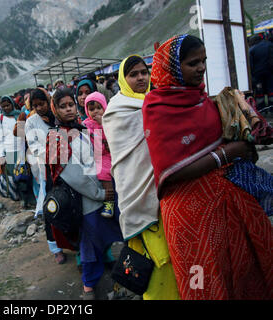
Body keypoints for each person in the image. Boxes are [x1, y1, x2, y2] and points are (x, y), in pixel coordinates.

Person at [142, 34, 272, 300]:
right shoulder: (157, 109)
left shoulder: (203, 99)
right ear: (172, 69)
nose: (201, 68)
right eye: (193, 63)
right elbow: (172, 171)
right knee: (203, 278)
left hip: (227, 204)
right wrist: (225, 154)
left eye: (203, 61)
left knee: (244, 269)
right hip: (191, 215)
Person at [103, 55, 179, 300]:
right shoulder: (116, 110)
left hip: (165, 190)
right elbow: (126, 158)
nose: (140, 78)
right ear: (123, 79)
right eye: (133, 74)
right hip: (137, 193)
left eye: (144, 72)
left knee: (174, 253)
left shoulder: (156, 101)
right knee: (158, 260)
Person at [46, 88, 123, 300]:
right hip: (84, 200)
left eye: (71, 104)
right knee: (89, 242)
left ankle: (105, 266)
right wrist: (100, 193)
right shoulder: (55, 137)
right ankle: (89, 285)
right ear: (55, 109)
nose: (69, 109)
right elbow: (73, 175)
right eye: (63, 106)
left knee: (104, 232)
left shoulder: (80, 129)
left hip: (98, 194)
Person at [25, 87, 66, 264]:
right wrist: (50, 154)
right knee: (51, 208)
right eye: (35, 106)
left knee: (68, 206)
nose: (39, 108)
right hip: (47, 171)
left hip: (66, 169)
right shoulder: (31, 122)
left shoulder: (58, 115)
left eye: (41, 104)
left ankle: (72, 242)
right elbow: (33, 145)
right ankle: (55, 248)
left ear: (48, 101)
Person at [83, 92, 114, 218]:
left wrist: (103, 124)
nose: (95, 111)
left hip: (107, 154)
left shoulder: (109, 120)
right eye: (91, 109)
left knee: (103, 171)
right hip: (94, 156)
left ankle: (109, 201)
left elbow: (112, 136)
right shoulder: (86, 124)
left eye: (99, 108)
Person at [0, 96, 26, 203]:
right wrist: (1, 155)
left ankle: (27, 197)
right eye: (3, 107)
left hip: (21, 149)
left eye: (8, 105)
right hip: (10, 151)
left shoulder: (19, 115)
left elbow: (23, 133)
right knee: (15, 175)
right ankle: (20, 197)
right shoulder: (0, 119)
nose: (6, 108)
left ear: (12, 104)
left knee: (24, 174)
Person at [249, 34, 273, 113]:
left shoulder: (252, 49)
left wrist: (253, 77)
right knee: (271, 91)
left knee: (260, 93)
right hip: (270, 73)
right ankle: (272, 108)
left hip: (258, 75)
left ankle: (262, 110)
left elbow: (251, 65)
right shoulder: (270, 45)